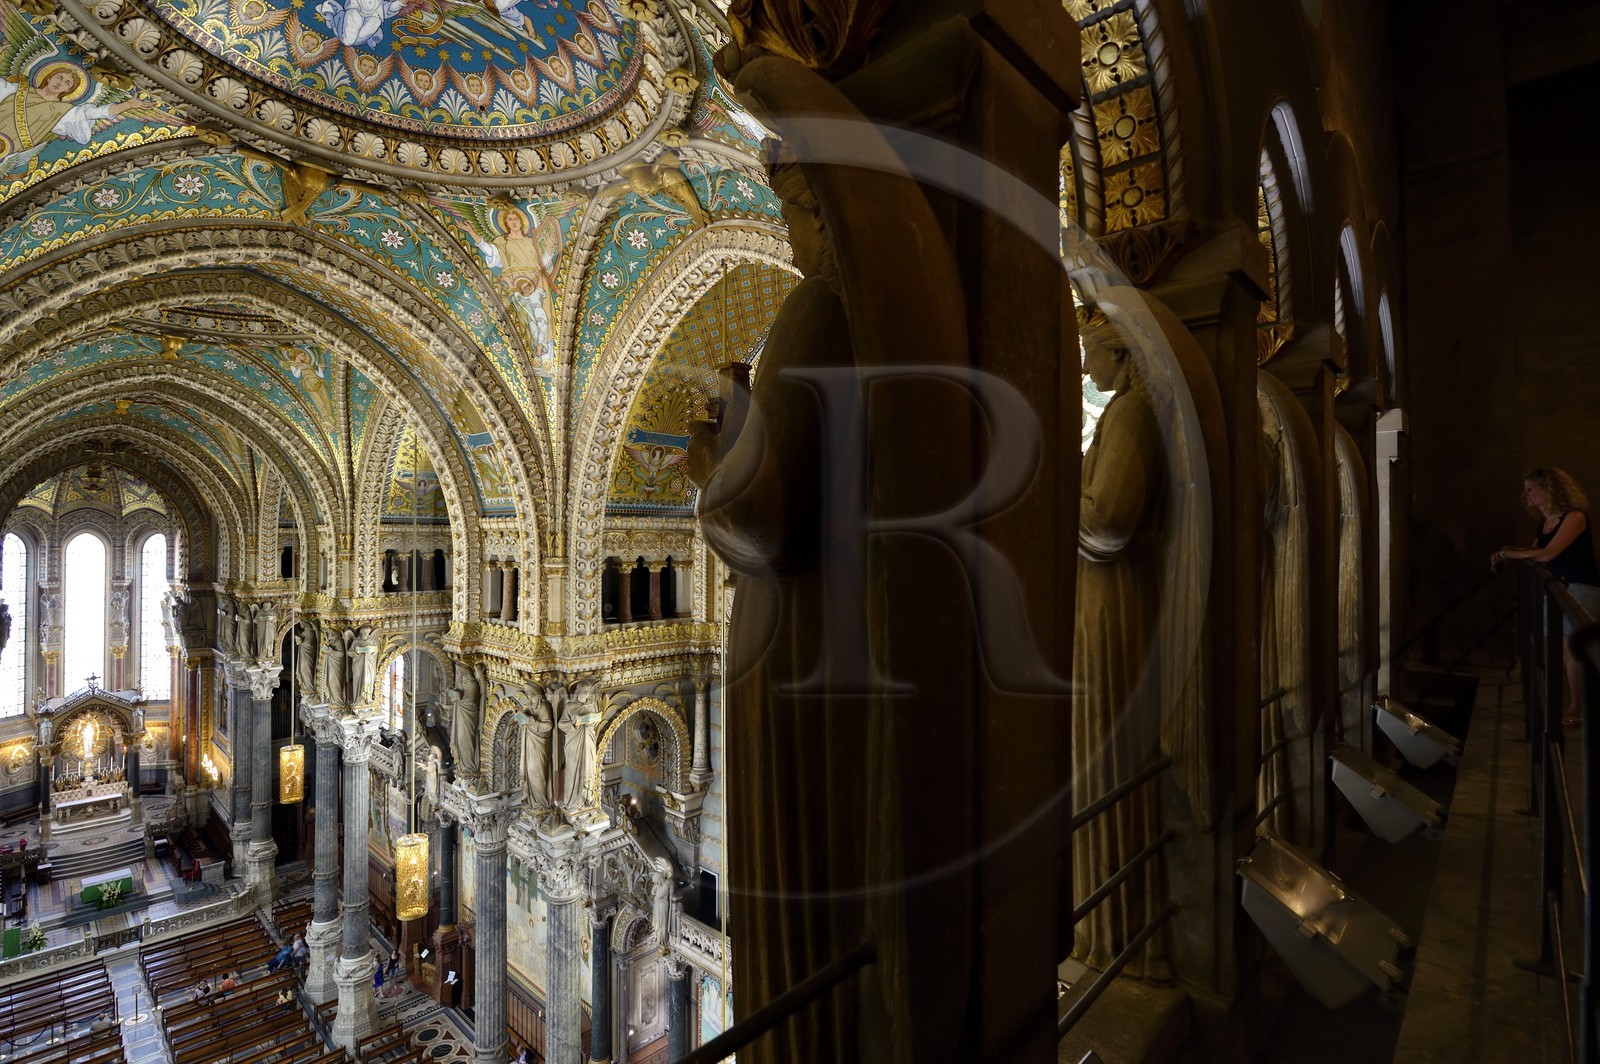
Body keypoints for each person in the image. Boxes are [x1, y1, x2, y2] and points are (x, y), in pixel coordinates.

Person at [1492, 467, 1600, 725]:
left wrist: (1507, 554)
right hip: (1559, 588)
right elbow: (1534, 550)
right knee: (1562, 651)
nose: (1525, 494)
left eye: (1530, 489)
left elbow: (1547, 554)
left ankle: (1578, 710)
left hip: (1580, 587)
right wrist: (1505, 551)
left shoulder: (1574, 517)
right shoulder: (1546, 523)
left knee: (1573, 651)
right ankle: (1574, 706)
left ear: (1549, 490)